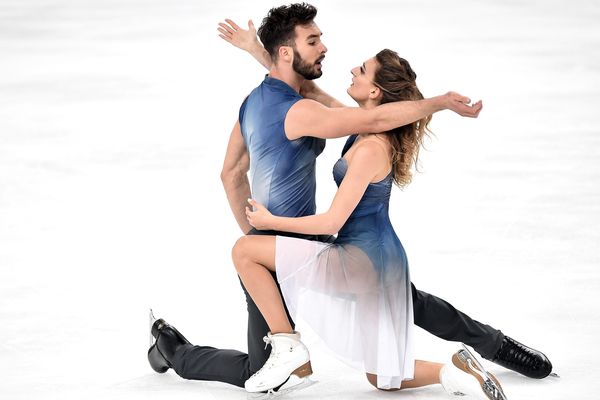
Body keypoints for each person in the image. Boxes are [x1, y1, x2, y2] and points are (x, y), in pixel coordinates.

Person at [146, 2, 548, 394]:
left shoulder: (297, 117)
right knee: (399, 328)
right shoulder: (311, 112)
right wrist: (262, 52)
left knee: (402, 306)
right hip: (331, 246)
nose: (330, 52)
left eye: (360, 68)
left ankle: (493, 349)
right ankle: (485, 355)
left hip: (335, 244)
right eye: (314, 40)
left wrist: (261, 232)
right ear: (287, 51)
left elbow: (302, 106)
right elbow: (316, 98)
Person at [233, 46, 507, 398]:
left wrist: (272, 219)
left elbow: (331, 221)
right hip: (377, 255)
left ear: (375, 92)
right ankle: (454, 372)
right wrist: (261, 49)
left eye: (361, 71)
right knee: (381, 376)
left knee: (245, 251)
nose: (352, 71)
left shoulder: (370, 148)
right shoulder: (362, 127)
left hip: (361, 258)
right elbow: (304, 88)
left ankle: (287, 346)